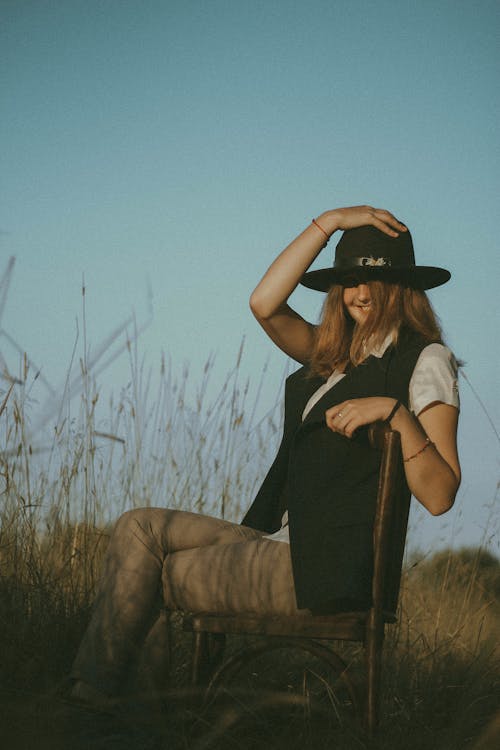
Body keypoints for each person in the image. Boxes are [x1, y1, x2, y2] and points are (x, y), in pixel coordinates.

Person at [70, 204, 460, 708]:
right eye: (348, 281)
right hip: (282, 542)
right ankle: (111, 707)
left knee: (156, 576)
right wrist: (328, 222)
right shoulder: (333, 357)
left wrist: (395, 414)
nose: (360, 294)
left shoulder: (425, 359)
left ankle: (104, 709)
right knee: (137, 528)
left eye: (374, 282)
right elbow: (264, 303)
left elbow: (440, 494)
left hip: (327, 569)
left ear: (403, 288)